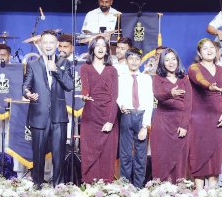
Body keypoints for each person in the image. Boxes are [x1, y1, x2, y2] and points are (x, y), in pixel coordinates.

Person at [23, 29, 74, 186]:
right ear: (40, 44)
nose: (48, 45)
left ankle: (58, 187)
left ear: (57, 45)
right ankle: (37, 186)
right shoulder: (32, 65)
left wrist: (56, 70)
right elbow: (25, 86)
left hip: (59, 117)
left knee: (58, 156)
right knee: (38, 156)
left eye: (52, 42)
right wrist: (28, 93)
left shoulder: (64, 63)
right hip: (39, 115)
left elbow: (70, 85)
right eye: (45, 42)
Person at [187, 39, 222, 190]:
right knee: (199, 153)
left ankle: (213, 192)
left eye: (212, 47)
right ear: (199, 53)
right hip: (198, 119)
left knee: (215, 154)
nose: (209, 50)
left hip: (217, 118)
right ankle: (199, 192)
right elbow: (199, 79)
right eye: (205, 48)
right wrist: (210, 86)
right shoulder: (194, 68)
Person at [79, 36, 119, 182]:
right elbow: (85, 89)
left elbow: (115, 97)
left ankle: (106, 190)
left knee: (107, 155)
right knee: (89, 153)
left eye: (104, 45)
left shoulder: (112, 70)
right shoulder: (85, 68)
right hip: (91, 116)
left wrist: (110, 120)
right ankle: (90, 189)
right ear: (92, 48)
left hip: (108, 116)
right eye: (97, 45)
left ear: (107, 49)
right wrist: (84, 96)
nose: (101, 48)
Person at [150, 48, 192, 183]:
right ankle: (162, 194)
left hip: (180, 123)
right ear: (162, 62)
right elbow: (158, 95)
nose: (171, 62)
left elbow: (188, 104)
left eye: (173, 59)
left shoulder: (184, 79)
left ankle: (179, 193)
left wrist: (184, 125)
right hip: (162, 124)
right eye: (167, 60)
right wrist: (170, 93)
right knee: (162, 157)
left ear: (178, 61)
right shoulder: (158, 78)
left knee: (179, 158)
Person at [117, 47, 154, 188]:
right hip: (127, 115)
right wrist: (121, 105)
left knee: (140, 155)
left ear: (140, 61)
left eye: (137, 59)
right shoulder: (121, 78)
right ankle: (125, 187)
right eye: (131, 58)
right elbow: (117, 96)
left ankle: (139, 187)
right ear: (126, 60)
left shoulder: (146, 79)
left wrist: (145, 126)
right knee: (125, 154)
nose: (134, 61)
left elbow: (149, 102)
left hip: (141, 116)